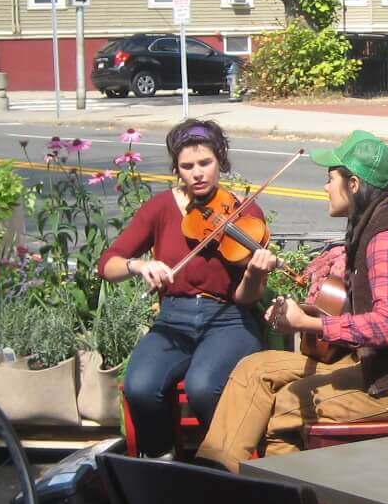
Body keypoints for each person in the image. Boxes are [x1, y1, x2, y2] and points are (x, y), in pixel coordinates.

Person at [197, 129, 388, 470]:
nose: (325, 187)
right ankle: (216, 477)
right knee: (253, 368)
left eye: (331, 179)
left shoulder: (386, 237)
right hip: (374, 363)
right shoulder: (366, 222)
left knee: (288, 405)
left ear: (355, 184)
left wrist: (309, 323)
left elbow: (387, 325)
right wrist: (304, 310)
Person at [99, 119, 277, 457]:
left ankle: (222, 462)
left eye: (205, 163)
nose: (197, 173)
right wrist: (139, 265)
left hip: (229, 318)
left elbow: (246, 297)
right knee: (140, 386)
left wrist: (254, 274)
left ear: (220, 161)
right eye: (187, 166)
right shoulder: (161, 208)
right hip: (173, 318)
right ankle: (163, 463)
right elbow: (108, 263)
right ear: (177, 169)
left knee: (204, 386)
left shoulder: (244, 212)